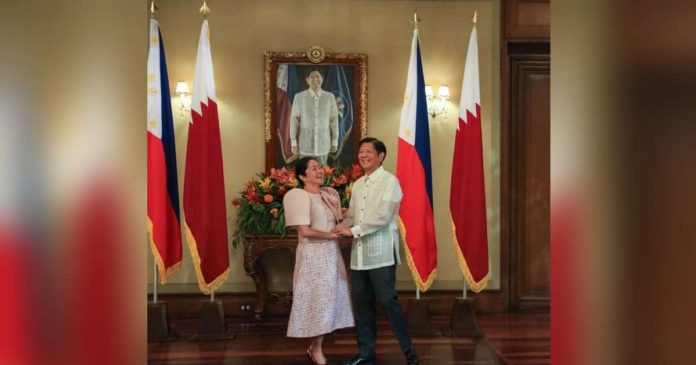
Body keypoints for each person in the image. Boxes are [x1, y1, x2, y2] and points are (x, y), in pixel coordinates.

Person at [334, 137, 420, 365]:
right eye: (361, 151)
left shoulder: (390, 182)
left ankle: (409, 353)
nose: (363, 155)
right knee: (362, 306)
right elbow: (352, 215)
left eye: (368, 151)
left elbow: (383, 217)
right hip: (359, 256)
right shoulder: (359, 184)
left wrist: (352, 231)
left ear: (380, 156)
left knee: (388, 302)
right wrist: (339, 221)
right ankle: (365, 354)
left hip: (380, 253)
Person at [282, 156, 354, 365]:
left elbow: (339, 221)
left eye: (319, 167)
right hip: (313, 256)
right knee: (318, 301)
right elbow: (304, 231)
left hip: (332, 253)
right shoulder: (298, 196)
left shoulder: (329, 194)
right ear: (303, 176)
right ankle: (317, 349)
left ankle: (315, 346)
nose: (319, 171)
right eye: (313, 169)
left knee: (330, 300)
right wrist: (333, 236)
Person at [290, 69, 339, 165]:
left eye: (317, 76)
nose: (315, 79)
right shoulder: (299, 97)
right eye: (312, 77)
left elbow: (334, 120)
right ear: (307, 80)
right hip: (305, 144)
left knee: (322, 173)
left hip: (323, 143)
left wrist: (334, 141)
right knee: (305, 171)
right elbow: (294, 120)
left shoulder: (329, 97)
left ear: (322, 79)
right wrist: (293, 142)